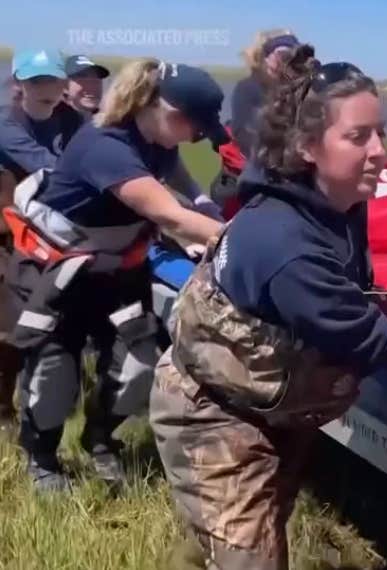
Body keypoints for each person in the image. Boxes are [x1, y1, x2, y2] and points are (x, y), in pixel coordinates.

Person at [148, 45, 387, 570]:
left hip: (276, 403)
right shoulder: (285, 242)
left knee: (252, 528)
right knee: (250, 560)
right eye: (358, 137)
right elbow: (370, 338)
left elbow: (357, 288)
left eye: (380, 131)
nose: (379, 150)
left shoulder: (341, 201)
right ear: (308, 146)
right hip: (217, 414)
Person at [4, 58, 228, 492]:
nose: (197, 139)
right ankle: (43, 459)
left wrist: (208, 211)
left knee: (138, 363)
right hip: (57, 272)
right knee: (55, 369)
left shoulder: (160, 140)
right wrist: (251, 243)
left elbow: (184, 188)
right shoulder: (107, 147)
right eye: (195, 129)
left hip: (118, 271)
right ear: (168, 113)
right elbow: (168, 215)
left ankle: (100, 438)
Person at [0, 48, 84, 434]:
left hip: (58, 235)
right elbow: (42, 164)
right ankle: (6, 410)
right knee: (10, 329)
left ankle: (46, 411)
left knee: (55, 322)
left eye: (52, 79)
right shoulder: (5, 123)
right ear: (19, 83)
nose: (46, 89)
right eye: (36, 81)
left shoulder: (75, 123)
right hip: (8, 233)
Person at [208, 29, 300, 218]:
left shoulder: (295, 91)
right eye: (282, 55)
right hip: (243, 183)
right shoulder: (248, 88)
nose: (287, 62)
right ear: (265, 56)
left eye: (294, 56)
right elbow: (245, 135)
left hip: (283, 178)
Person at [63, 54, 110, 119]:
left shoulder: (109, 123)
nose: (91, 88)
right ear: (64, 86)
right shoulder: (50, 122)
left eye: (96, 81)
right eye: (82, 81)